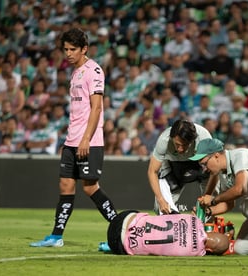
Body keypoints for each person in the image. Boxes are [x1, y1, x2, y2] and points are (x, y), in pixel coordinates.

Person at [30, 28, 117, 247]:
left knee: (89, 187)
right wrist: (71, 140)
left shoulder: (93, 71)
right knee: (65, 185)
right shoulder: (75, 72)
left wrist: (86, 139)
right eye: (66, 49)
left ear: (84, 49)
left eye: (72, 49)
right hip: (71, 140)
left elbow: (96, 109)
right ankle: (56, 236)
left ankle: (119, 232)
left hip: (89, 141)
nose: (68, 53)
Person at [148, 119, 212, 215]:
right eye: (177, 145)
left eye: (185, 145)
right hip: (173, 165)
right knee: (161, 210)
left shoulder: (204, 139)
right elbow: (152, 171)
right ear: (171, 138)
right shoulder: (164, 140)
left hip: (199, 164)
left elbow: (214, 171)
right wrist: (161, 200)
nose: (180, 149)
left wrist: (207, 197)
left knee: (210, 203)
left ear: (192, 140)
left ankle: (203, 225)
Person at [107, 210, 229, 256]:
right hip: (119, 244)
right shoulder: (197, 253)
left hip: (124, 219)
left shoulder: (195, 219)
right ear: (210, 251)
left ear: (213, 230)